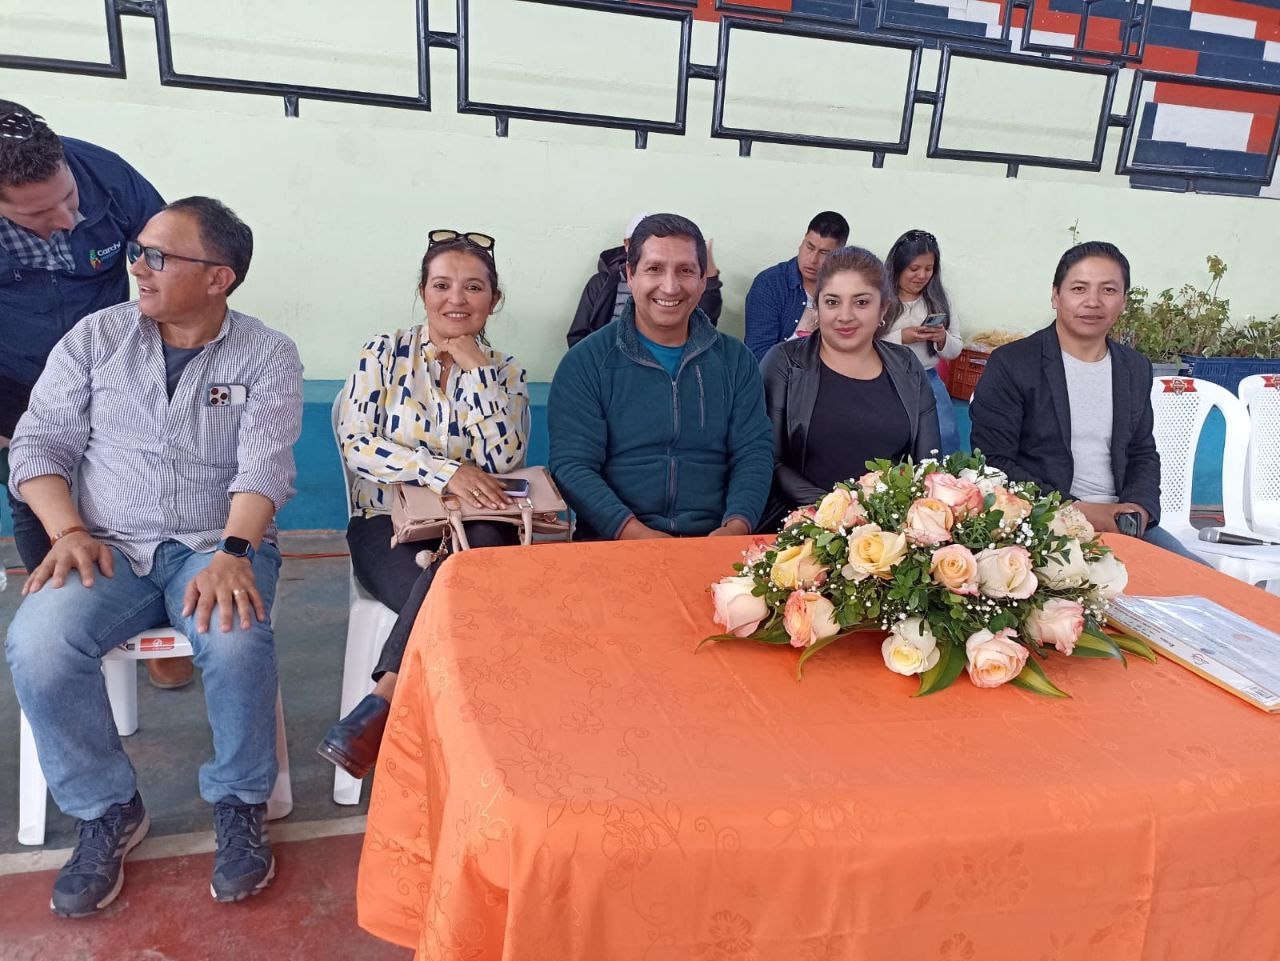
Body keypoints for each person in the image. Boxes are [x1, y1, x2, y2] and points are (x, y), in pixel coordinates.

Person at [4, 197, 303, 915]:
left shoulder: (267, 353)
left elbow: (264, 467)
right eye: (139, 251)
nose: (138, 266)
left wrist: (235, 549)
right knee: (38, 644)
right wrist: (68, 531)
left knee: (234, 635)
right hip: (106, 546)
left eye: (159, 256)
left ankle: (240, 803)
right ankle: (106, 809)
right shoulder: (95, 338)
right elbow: (39, 446)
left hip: (213, 543)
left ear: (218, 277)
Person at [317, 230, 529, 780]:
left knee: (469, 569)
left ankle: (383, 703)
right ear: (422, 292)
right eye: (442, 285)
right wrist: (446, 472)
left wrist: (476, 372)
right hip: (387, 524)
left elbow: (503, 458)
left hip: (477, 525)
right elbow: (358, 446)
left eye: (473, 287)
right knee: (462, 597)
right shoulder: (382, 354)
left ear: (494, 300)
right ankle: (457, 751)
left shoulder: (506, 371)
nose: (456, 299)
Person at [0, 101, 192, 690]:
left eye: (68, 197)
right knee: (36, 490)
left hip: (110, 367)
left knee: (140, 479)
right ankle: (70, 626)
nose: (67, 218)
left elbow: (175, 254)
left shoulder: (106, 175)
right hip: (13, 378)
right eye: (40, 213)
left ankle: (156, 621)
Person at [969, 241, 1204, 562]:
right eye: (1079, 288)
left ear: (1123, 301)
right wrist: (1079, 510)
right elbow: (994, 462)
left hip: (1122, 523)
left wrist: (1139, 508)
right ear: (1056, 296)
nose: (1093, 302)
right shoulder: (1013, 364)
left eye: (1108, 290)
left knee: (1207, 584)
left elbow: (1142, 451)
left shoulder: (1134, 367)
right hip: (1041, 519)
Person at [549, 213, 772, 540]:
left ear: (703, 280)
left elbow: (753, 452)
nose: (670, 286)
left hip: (715, 540)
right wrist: (636, 534)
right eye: (654, 268)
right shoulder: (586, 362)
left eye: (686, 271)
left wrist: (736, 527)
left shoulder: (736, 360)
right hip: (613, 543)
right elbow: (573, 465)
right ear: (630, 275)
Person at [759, 247, 941, 530]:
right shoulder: (785, 363)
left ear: (883, 308)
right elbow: (769, 461)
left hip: (888, 534)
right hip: (801, 527)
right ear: (818, 306)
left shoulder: (906, 366)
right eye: (832, 302)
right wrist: (840, 514)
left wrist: (884, 522)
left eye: (861, 302)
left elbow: (928, 466)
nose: (845, 316)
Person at [567, 212, 722, 347]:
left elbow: (705, 320)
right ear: (627, 244)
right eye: (654, 269)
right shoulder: (601, 284)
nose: (669, 288)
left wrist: (709, 274)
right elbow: (578, 335)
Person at [882, 229, 963, 454]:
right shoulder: (880, 297)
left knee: (944, 436)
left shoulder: (940, 298)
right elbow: (865, 341)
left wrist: (942, 338)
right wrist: (901, 337)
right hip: (887, 380)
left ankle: (940, 476)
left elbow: (955, 348)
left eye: (929, 269)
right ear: (898, 266)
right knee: (892, 440)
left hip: (927, 379)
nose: (922, 275)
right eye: (914, 268)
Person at [743, 210, 849, 361]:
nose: (812, 259)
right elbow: (758, 355)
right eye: (809, 247)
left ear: (839, 255)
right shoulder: (770, 284)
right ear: (802, 242)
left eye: (824, 253)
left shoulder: (847, 288)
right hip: (780, 373)